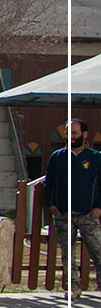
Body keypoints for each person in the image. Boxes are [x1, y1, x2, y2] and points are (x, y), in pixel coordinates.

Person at [46, 117, 101, 293]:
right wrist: (51, 204)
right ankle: (73, 288)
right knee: (68, 254)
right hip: (64, 214)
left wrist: (98, 207)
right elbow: (49, 182)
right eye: (68, 132)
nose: (70, 136)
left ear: (84, 134)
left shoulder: (95, 157)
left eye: (74, 133)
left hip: (88, 214)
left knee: (98, 252)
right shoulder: (58, 157)